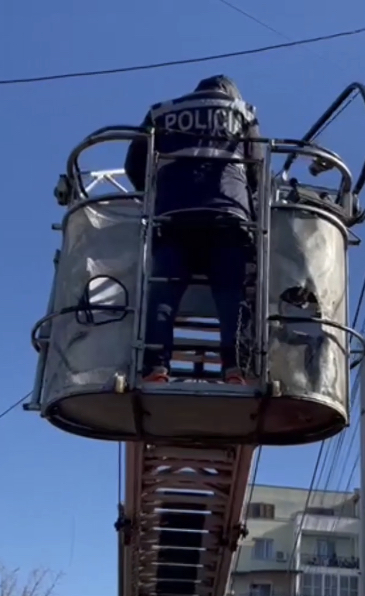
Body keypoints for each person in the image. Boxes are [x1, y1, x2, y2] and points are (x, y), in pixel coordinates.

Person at [123, 75, 262, 385]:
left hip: (174, 217)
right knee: (230, 294)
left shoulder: (161, 111)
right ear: (230, 92)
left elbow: (134, 164)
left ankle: (156, 366)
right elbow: (257, 165)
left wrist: (155, 195)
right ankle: (235, 368)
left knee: (164, 292)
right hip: (228, 216)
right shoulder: (243, 111)